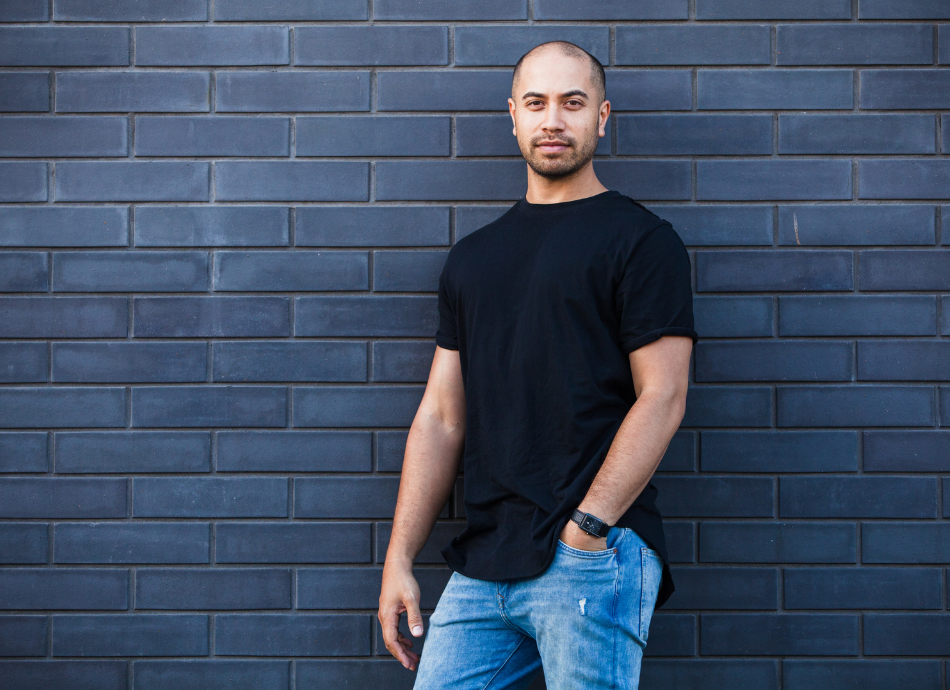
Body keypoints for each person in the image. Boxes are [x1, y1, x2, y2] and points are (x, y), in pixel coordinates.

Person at [378, 40, 698, 690]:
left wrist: (587, 528)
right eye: (536, 103)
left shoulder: (642, 242)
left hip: (591, 554)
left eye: (572, 103)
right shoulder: (472, 258)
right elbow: (441, 417)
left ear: (601, 117)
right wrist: (399, 557)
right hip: (485, 562)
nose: (553, 120)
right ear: (513, 116)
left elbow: (663, 395)